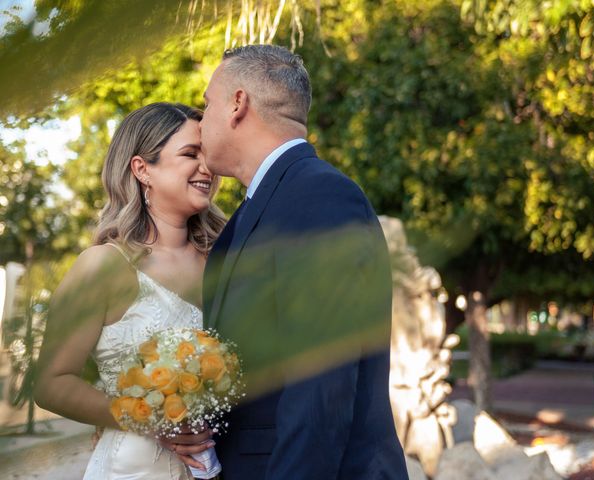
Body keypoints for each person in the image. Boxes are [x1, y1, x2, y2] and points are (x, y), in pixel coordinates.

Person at [193, 45, 409, 479]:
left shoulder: (320, 197)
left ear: (238, 103)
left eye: (206, 105)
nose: (201, 123)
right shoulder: (261, 206)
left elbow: (320, 391)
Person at [34, 102, 226, 479]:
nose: (207, 168)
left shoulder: (225, 259)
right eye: (190, 154)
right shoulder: (104, 266)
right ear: (142, 169)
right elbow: (51, 383)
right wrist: (152, 420)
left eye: (208, 155)